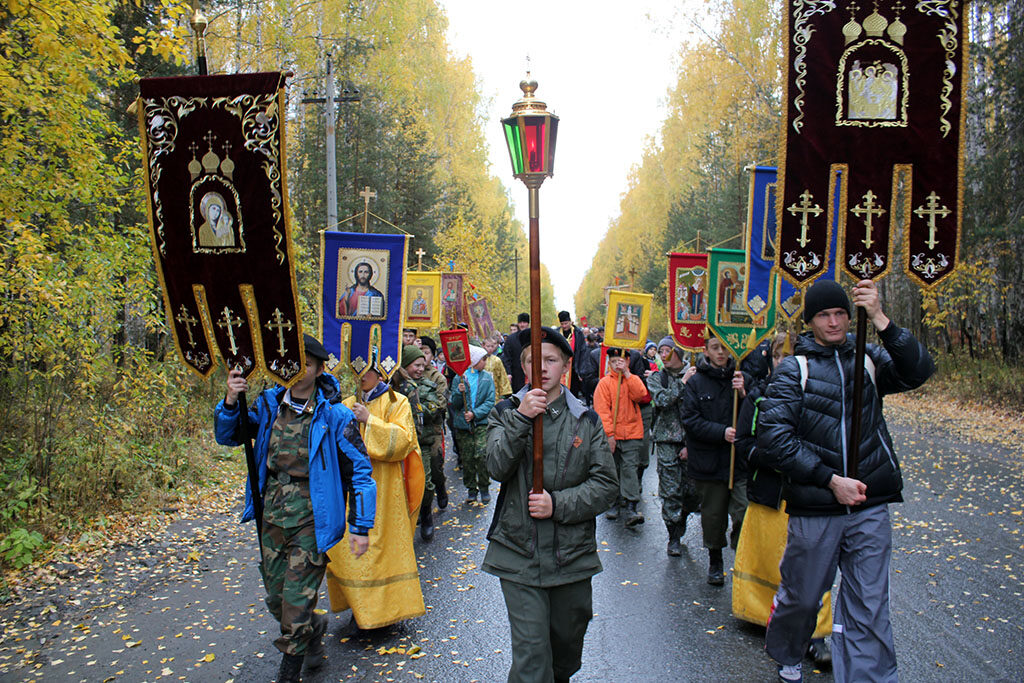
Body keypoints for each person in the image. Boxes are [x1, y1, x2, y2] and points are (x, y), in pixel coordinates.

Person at [759, 279, 934, 683]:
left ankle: (868, 677)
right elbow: (774, 440)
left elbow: (919, 371)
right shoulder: (794, 370)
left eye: (841, 313)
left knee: (869, 604)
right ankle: (788, 650)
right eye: (824, 314)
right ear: (811, 321)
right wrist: (829, 479)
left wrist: (879, 318)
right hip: (817, 504)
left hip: (869, 502)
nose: (835, 322)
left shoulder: (869, 360)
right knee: (802, 598)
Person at [214, 334, 376, 683]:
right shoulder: (270, 404)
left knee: (296, 607)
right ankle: (314, 629)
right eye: (290, 361)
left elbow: (361, 471)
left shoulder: (334, 416)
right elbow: (230, 435)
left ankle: (289, 672)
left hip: (312, 518)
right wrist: (231, 398)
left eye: (306, 362)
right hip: (271, 515)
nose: (296, 369)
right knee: (278, 601)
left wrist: (361, 526)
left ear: (319, 369)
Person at [483, 326, 618, 683]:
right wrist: (522, 418)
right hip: (517, 552)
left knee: (565, 652)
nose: (541, 367)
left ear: (566, 366)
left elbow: (606, 486)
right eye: (532, 360)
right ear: (523, 366)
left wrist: (557, 504)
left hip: (571, 557)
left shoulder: (585, 420)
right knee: (531, 659)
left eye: (551, 360)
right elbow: (496, 466)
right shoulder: (505, 411)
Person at [732, 332, 833, 671]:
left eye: (791, 354)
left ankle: (816, 632)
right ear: (772, 359)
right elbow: (744, 443)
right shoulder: (757, 398)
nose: (784, 361)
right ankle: (764, 615)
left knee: (812, 563)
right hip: (769, 492)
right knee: (767, 558)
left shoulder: (822, 394)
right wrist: (770, 456)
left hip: (810, 493)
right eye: (779, 355)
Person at [325, 361, 426, 631]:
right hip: (353, 490)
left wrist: (370, 421)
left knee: (382, 550)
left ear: (380, 372)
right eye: (357, 371)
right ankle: (359, 609)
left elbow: (403, 442)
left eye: (367, 371)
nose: (362, 377)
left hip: (386, 489)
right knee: (349, 550)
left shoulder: (397, 402)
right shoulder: (346, 403)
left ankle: (387, 612)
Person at [680, 334, 750, 586]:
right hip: (708, 462)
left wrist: (744, 396)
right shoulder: (696, 382)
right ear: (706, 351)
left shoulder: (741, 379)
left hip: (737, 461)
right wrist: (720, 432)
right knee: (713, 516)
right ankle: (715, 560)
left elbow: (759, 413)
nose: (721, 352)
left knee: (744, 511)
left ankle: (742, 554)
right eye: (715, 348)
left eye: (724, 347)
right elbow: (690, 420)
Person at [648, 336, 700, 556]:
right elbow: (661, 400)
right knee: (670, 490)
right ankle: (673, 536)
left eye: (668, 351)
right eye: (660, 351)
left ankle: (683, 516)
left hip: (693, 440)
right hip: (667, 439)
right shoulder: (657, 378)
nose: (663, 356)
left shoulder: (696, 374)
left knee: (693, 491)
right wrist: (683, 382)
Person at [391, 345, 444, 541]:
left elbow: (433, 409)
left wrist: (420, 406)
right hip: (398, 442)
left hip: (422, 441)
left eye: (423, 365)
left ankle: (427, 513)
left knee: (425, 482)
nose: (420, 369)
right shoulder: (394, 385)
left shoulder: (426, 386)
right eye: (416, 365)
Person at [593, 347, 648, 527]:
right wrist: (609, 435)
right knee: (613, 469)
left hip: (632, 432)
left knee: (630, 469)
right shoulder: (604, 383)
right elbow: (602, 411)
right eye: (615, 361)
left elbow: (640, 395)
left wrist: (627, 374)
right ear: (609, 362)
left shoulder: (633, 380)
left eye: (621, 361)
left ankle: (632, 505)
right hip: (613, 434)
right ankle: (614, 502)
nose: (618, 364)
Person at [449, 345, 496, 503]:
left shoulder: (487, 378)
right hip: (463, 426)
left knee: (481, 455)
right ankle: (471, 488)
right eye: (483, 359)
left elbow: (490, 401)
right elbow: (454, 404)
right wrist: (458, 392)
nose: (485, 362)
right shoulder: (460, 378)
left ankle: (484, 486)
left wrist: (475, 414)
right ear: (475, 360)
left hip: (480, 423)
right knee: (467, 458)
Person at [418, 336, 449, 508]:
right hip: (414, 430)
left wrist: (419, 409)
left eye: (426, 352)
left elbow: (440, 404)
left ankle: (441, 486)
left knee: (435, 464)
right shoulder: (408, 373)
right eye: (420, 351)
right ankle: (424, 510)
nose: (423, 356)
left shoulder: (437, 377)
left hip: (433, 428)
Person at [556, 310, 589, 398]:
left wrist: (581, 371)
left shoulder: (578, 333)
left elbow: (583, 352)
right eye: (562, 324)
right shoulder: (556, 333)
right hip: (559, 367)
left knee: (573, 393)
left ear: (570, 321)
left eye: (566, 323)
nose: (564, 326)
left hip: (574, 367)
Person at [501, 312, 531, 392]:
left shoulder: (534, 337)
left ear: (528, 323)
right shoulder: (511, 339)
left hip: (531, 373)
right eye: (520, 322)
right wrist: (508, 373)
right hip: (516, 375)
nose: (522, 325)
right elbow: (507, 357)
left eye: (524, 322)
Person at [483, 334, 513, 400]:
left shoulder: (497, 360)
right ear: (483, 346)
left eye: (492, 346)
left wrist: (503, 395)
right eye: (488, 346)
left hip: (495, 388)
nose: (490, 348)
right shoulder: (480, 359)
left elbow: (502, 376)